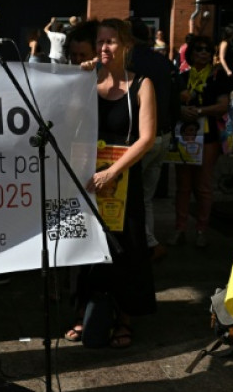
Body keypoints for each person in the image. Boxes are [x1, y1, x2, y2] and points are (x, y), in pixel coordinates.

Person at [69, 18, 158, 349]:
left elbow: (146, 137)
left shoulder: (141, 85)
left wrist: (114, 171)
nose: (104, 48)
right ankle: (84, 314)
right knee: (85, 249)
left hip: (122, 179)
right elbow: (70, 122)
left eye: (111, 42)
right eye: (100, 42)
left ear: (127, 46)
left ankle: (125, 319)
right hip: (89, 178)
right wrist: (80, 79)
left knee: (127, 251)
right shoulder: (87, 81)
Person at [168, 36, 233, 248]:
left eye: (207, 50)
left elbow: (223, 105)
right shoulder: (182, 77)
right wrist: (180, 111)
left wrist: (198, 111)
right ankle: (180, 228)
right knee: (183, 186)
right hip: (184, 137)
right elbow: (170, 102)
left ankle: (201, 230)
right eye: (199, 50)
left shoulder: (218, 76)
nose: (203, 53)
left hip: (208, 138)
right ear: (191, 53)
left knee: (203, 186)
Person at [128, 18, 175, 260]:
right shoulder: (163, 62)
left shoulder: (131, 62)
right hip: (163, 135)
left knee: (135, 195)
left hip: (142, 138)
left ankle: (145, 242)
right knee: (146, 196)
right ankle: (149, 240)